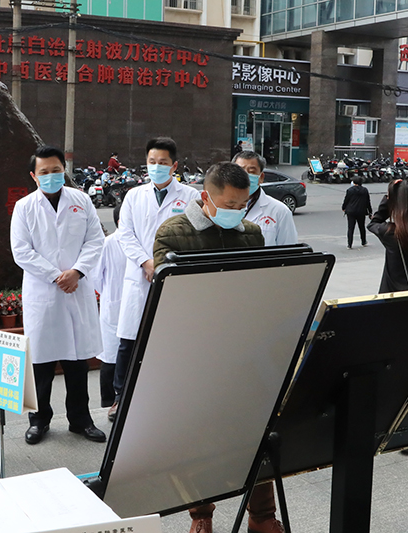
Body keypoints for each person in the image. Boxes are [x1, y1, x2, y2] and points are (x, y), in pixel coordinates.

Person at [153, 162, 271, 533]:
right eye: (230, 205)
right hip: (194, 352)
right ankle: (201, 515)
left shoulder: (251, 234)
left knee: (255, 433)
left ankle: (262, 516)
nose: (237, 212)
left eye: (243, 205)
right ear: (206, 197)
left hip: (242, 350)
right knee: (196, 438)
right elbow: (167, 295)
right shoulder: (173, 233)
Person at [11, 146, 107, 445]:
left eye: (56, 170)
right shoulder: (24, 207)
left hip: (76, 288)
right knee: (40, 364)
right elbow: (21, 251)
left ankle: (81, 420)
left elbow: (95, 239)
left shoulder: (81, 200)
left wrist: (77, 271)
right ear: (33, 175)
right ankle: (38, 421)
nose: (51, 176)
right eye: (44, 172)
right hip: (44, 292)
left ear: (63, 170)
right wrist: (56, 275)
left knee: (77, 362)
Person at [111, 137, 200, 421]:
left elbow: (196, 235)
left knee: (167, 341)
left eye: (163, 163)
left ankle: (165, 398)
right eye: (152, 162)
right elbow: (125, 234)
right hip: (139, 276)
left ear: (174, 166)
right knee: (129, 341)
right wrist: (146, 262)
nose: (157, 167)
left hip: (173, 276)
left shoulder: (191, 196)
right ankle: (120, 398)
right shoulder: (134, 196)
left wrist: (163, 264)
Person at [92, 204, 126, 408]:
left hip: (135, 308)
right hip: (113, 307)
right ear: (120, 221)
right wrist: (111, 296)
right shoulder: (107, 244)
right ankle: (108, 402)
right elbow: (96, 278)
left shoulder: (144, 242)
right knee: (110, 358)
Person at [232, 151, 298, 246]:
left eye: (251, 172)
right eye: (240, 171)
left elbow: (289, 250)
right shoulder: (218, 207)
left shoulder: (280, 211)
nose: (245, 177)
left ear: (261, 177)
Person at [341, 176, 372, 249]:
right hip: (361, 211)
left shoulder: (350, 190)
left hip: (351, 211)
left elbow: (346, 200)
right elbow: (368, 201)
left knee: (350, 228)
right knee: (362, 227)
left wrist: (343, 207)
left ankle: (349, 244)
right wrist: (370, 211)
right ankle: (363, 241)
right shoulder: (364, 190)